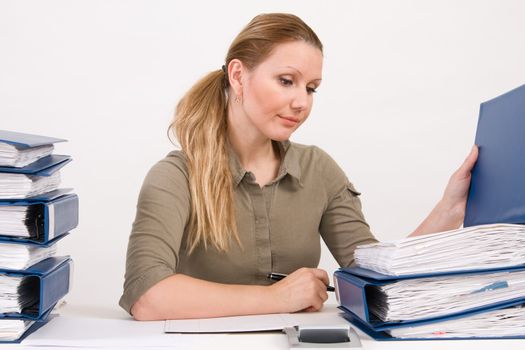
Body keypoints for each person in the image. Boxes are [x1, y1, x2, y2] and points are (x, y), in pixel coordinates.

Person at [119, 13, 478, 321]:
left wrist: (450, 209)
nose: (301, 102)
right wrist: (277, 299)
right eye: (286, 81)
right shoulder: (176, 176)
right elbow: (146, 296)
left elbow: (376, 277)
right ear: (238, 75)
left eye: (311, 88)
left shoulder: (318, 168)